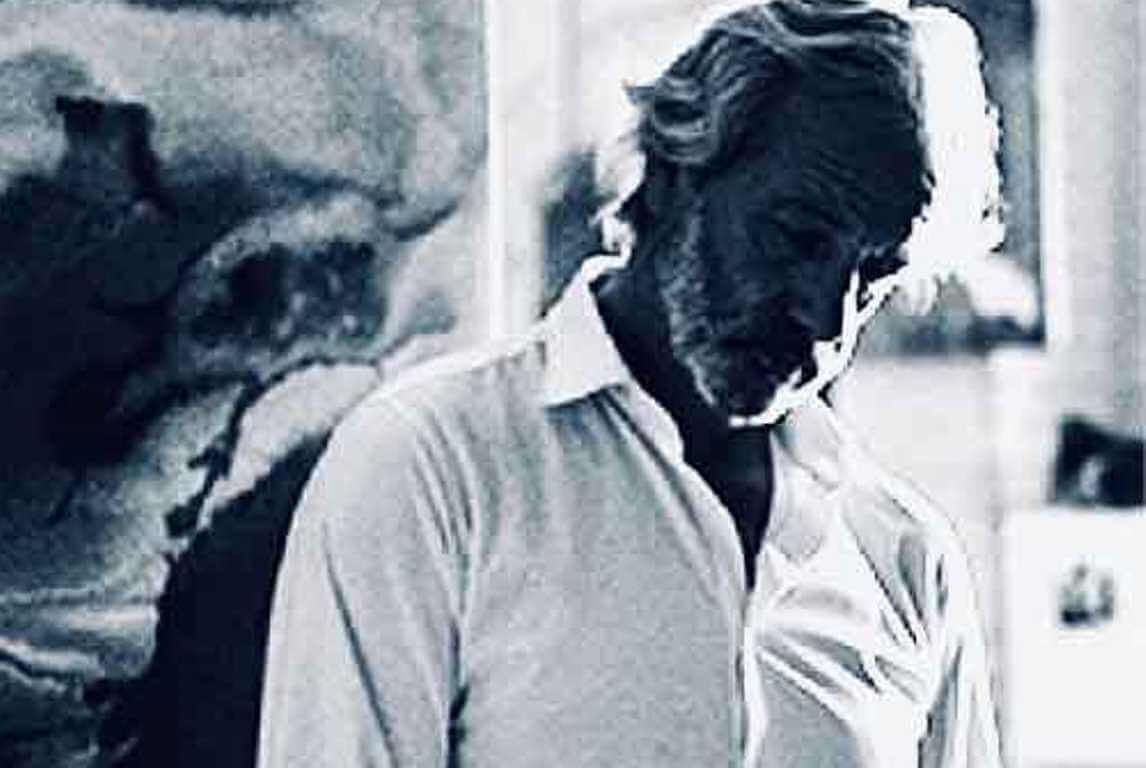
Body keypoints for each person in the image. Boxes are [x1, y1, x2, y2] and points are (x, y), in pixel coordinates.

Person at [257, 1, 1005, 765]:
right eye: (796, 236)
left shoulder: (906, 558)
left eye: (874, 277)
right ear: (678, 172)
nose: (826, 319)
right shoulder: (430, 468)